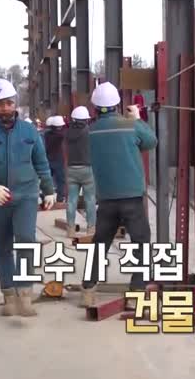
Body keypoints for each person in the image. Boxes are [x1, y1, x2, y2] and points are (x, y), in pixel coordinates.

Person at [0, 78, 57, 317]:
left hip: (26, 195)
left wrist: (48, 188)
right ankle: (8, 294)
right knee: (2, 245)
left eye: (8, 103)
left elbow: (41, 161)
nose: (5, 108)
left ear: (15, 103)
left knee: (26, 240)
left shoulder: (29, 131)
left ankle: (25, 293)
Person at [80, 82, 157, 308]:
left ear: (95, 107)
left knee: (100, 243)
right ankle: (136, 294)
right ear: (117, 104)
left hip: (106, 198)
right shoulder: (130, 125)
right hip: (132, 196)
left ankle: (88, 289)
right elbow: (151, 141)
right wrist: (137, 118)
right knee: (141, 243)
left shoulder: (90, 131)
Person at [65, 105, 96, 237]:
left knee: (71, 200)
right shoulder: (89, 131)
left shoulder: (67, 132)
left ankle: (70, 229)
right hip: (87, 168)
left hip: (71, 169)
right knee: (90, 199)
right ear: (86, 119)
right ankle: (91, 229)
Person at [43, 115, 67, 203]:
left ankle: (45, 196)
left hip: (48, 159)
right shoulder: (62, 135)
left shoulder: (46, 134)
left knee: (47, 180)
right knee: (60, 181)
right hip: (58, 161)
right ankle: (60, 199)